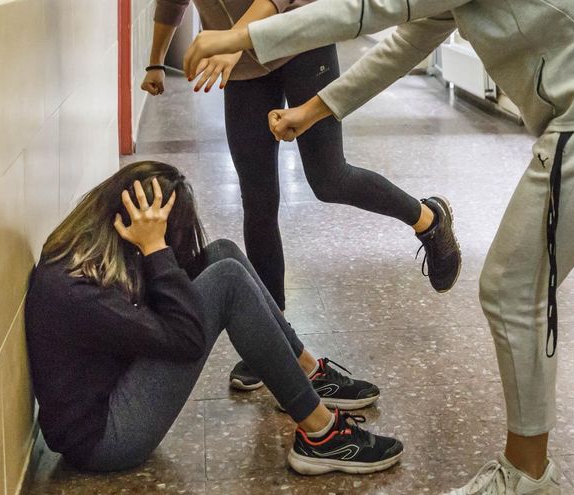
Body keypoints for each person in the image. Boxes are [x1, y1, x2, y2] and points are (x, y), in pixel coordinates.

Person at [180, 1, 574, 493]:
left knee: (510, 289)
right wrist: (316, 108)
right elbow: (408, 39)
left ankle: (526, 473)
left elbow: (365, 9)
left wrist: (240, 37)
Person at [140, 0, 463, 391]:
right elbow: (171, 2)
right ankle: (272, 338)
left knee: (329, 179)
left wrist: (232, 40)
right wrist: (156, 60)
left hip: (301, 40)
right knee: (257, 200)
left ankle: (428, 219)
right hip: (242, 65)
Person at [24, 161, 403, 475]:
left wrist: (158, 252)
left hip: (113, 385)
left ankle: (305, 371)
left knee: (221, 253)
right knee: (227, 282)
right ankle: (322, 436)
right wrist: (156, 248)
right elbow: (186, 339)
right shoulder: (79, 292)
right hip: (106, 437)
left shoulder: (87, 253)